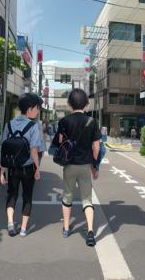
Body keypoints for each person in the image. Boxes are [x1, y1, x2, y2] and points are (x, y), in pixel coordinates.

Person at [57, 88, 101, 247]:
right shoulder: (92, 122)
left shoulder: (64, 121)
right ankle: (90, 232)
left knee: (67, 196)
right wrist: (95, 166)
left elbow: (60, 142)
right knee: (87, 199)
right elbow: (96, 147)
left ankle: (66, 228)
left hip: (69, 165)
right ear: (87, 104)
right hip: (85, 165)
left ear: (69, 104)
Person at [0, 93, 43, 238]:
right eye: (37, 108)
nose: (37, 111)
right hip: (28, 168)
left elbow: (4, 150)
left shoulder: (9, 124)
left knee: (11, 194)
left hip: (12, 167)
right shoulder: (33, 126)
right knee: (27, 196)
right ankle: (23, 229)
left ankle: (10, 223)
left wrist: (2, 172)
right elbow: (34, 150)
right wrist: (37, 169)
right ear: (30, 108)